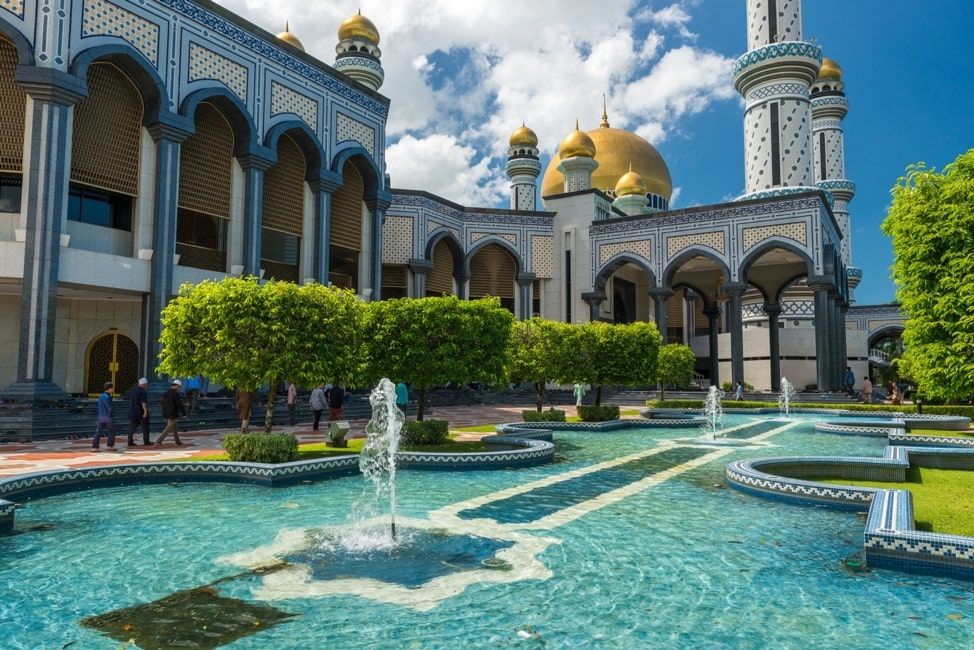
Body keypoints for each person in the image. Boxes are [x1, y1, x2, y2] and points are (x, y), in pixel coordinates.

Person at [156, 379, 186, 445]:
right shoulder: (175, 394)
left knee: (174, 427)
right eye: (179, 387)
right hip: (172, 413)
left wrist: (164, 414)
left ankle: (177, 441)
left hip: (167, 413)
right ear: (176, 386)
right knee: (169, 428)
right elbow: (179, 404)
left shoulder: (166, 393)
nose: (179, 388)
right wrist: (184, 413)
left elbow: (163, 405)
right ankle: (158, 440)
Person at [92, 382, 118, 452]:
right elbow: (109, 408)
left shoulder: (101, 396)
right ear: (109, 388)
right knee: (112, 430)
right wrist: (112, 414)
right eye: (112, 388)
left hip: (100, 416)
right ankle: (110, 446)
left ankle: (94, 447)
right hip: (107, 417)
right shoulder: (108, 397)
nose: (112, 390)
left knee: (98, 432)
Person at [127, 377, 152, 447]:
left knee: (132, 428)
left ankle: (130, 442)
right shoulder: (143, 392)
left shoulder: (134, 391)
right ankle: (146, 441)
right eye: (146, 384)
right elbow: (143, 402)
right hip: (141, 413)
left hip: (133, 412)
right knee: (145, 428)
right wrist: (145, 411)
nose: (146, 386)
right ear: (143, 384)